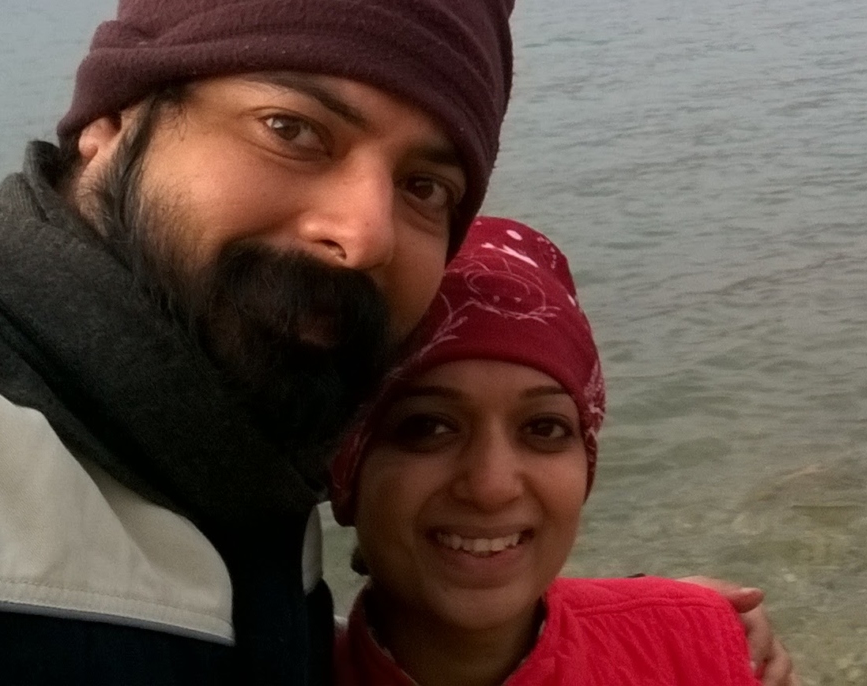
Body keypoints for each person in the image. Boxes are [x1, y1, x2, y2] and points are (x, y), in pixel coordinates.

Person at [0, 0, 784, 685]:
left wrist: (637, 633)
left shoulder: (235, 454)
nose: (363, 233)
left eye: (425, 185)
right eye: (292, 129)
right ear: (112, 123)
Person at [329, 216, 789, 686]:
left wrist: (674, 620)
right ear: (346, 463)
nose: (491, 487)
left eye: (544, 428)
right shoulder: (287, 665)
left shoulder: (694, 652)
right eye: (428, 427)